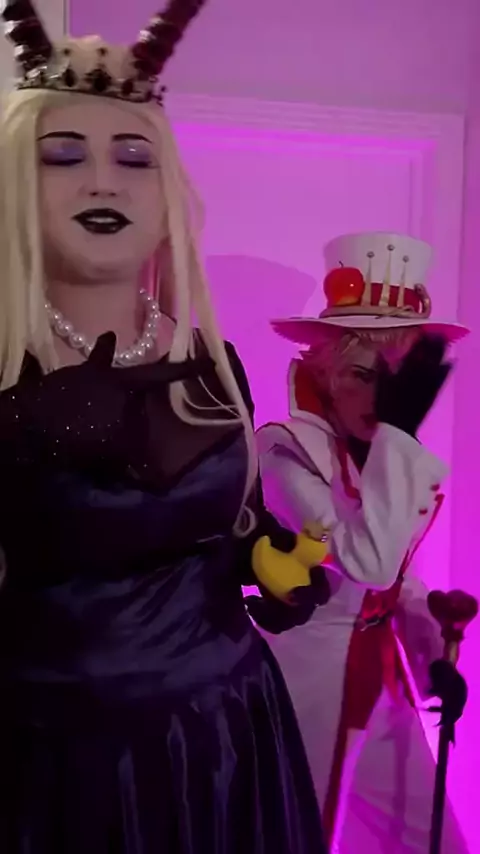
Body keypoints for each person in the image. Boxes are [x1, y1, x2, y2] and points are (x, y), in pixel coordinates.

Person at [0, 2, 331, 851]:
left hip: (227, 736)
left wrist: (269, 565)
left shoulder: (213, 361)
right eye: (63, 156)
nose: (103, 182)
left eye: (133, 157)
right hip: (55, 762)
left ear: (166, 196)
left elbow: (235, 527)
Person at [252, 232, 470, 853]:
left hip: (380, 682)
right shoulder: (283, 452)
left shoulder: (376, 455)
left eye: (395, 380)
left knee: (437, 841)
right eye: (360, 374)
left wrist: (431, 658)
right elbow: (367, 562)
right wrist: (399, 438)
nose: (379, 398)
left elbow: (397, 581)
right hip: (304, 682)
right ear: (324, 373)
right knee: (297, 836)